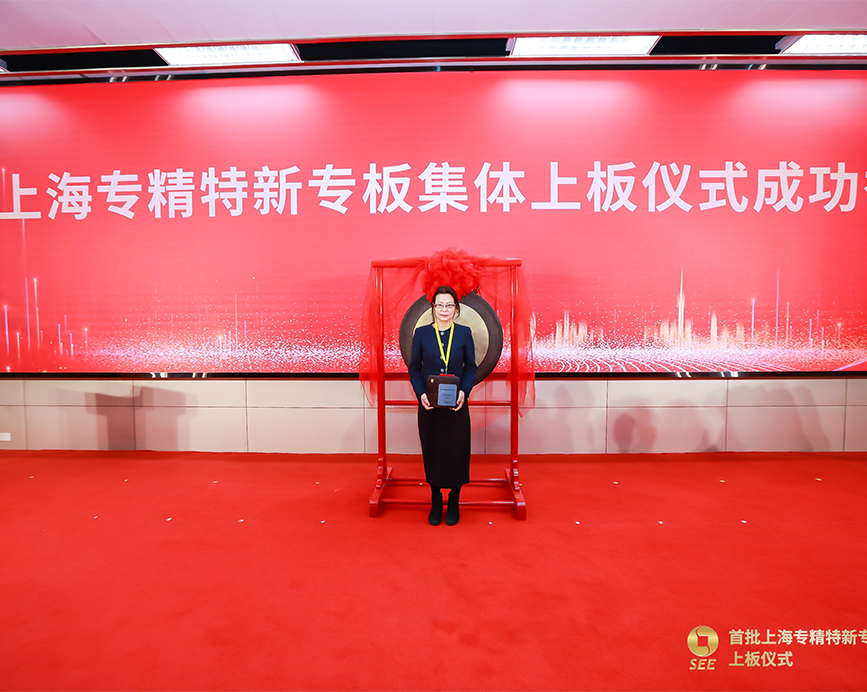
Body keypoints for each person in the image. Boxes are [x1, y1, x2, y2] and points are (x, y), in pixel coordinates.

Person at [408, 285, 477, 526]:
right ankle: (436, 499)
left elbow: (471, 368)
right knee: (434, 450)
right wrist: (421, 394)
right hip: (430, 405)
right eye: (440, 305)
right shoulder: (422, 334)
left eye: (449, 305)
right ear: (433, 307)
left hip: (456, 404)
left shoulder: (464, 333)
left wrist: (464, 391)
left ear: (456, 308)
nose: (444, 309)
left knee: (457, 450)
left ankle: (454, 500)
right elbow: (414, 369)